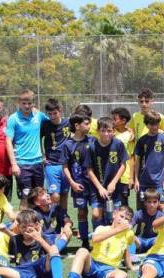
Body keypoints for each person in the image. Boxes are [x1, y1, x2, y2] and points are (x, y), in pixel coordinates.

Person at [60, 205, 135, 278]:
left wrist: (130, 266)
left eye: (127, 219)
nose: (123, 220)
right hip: (93, 265)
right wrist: (118, 230)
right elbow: (95, 239)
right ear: (114, 215)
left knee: (122, 274)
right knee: (82, 251)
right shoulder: (102, 228)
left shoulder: (129, 234)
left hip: (109, 270)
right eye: (121, 216)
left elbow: (125, 249)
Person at [0, 209, 70, 278]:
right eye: (23, 227)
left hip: (42, 270)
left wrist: (38, 238)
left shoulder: (44, 237)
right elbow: (12, 259)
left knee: (53, 249)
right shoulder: (14, 240)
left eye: (29, 227)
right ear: (18, 227)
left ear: (37, 225)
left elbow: (53, 253)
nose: (26, 230)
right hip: (23, 272)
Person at [5, 89, 49, 210]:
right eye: (24, 103)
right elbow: (8, 141)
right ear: (19, 103)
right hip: (22, 164)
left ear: (33, 103)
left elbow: (51, 122)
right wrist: (14, 164)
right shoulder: (13, 118)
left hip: (38, 163)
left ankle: (39, 225)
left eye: (30, 103)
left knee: (40, 196)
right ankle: (23, 227)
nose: (27, 106)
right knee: (25, 197)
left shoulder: (39, 116)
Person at [60, 113, 98, 248]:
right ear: (77, 126)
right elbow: (65, 166)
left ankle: (97, 239)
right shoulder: (68, 145)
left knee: (96, 213)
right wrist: (72, 183)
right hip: (78, 186)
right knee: (82, 213)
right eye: (86, 123)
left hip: (93, 185)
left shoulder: (93, 140)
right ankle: (85, 242)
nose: (89, 126)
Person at [92, 116, 130, 226]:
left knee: (114, 215)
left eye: (109, 131)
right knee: (96, 214)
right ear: (98, 131)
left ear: (114, 131)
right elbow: (89, 169)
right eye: (103, 131)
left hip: (115, 188)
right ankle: (97, 238)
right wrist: (99, 187)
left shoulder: (118, 144)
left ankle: (113, 239)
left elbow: (123, 164)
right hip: (97, 187)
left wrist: (113, 182)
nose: (106, 134)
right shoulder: (92, 146)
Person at [134, 111, 164, 207]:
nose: (155, 127)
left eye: (156, 124)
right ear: (146, 125)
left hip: (159, 181)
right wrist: (136, 179)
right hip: (144, 181)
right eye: (152, 124)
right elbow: (137, 160)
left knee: (162, 206)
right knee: (143, 207)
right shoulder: (142, 140)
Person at [40, 98, 71, 210]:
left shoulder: (68, 123)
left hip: (66, 165)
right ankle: (52, 221)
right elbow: (37, 138)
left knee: (64, 195)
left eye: (55, 113)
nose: (52, 116)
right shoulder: (45, 124)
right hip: (51, 164)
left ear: (60, 110)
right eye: (50, 114)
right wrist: (42, 155)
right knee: (55, 196)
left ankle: (62, 222)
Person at [128, 188, 164, 257]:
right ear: (145, 203)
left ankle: (155, 254)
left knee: (163, 239)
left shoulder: (161, 215)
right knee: (130, 235)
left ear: (159, 203)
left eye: (155, 202)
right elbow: (129, 227)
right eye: (149, 202)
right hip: (140, 240)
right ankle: (131, 256)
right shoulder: (139, 214)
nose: (152, 205)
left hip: (153, 241)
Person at [110, 107, 136, 208]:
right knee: (110, 204)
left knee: (123, 204)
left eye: (115, 119)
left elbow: (131, 157)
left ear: (123, 120)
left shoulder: (130, 135)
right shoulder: (110, 132)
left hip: (124, 176)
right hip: (111, 174)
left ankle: (125, 223)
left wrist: (131, 177)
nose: (112, 121)